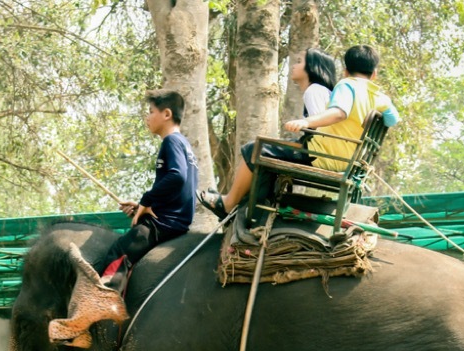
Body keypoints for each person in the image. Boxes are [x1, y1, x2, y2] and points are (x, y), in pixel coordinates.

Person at [198, 45, 399, 220]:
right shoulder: (381, 97)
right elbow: (393, 119)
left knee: (254, 149)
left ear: (345, 71)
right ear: (374, 74)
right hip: (349, 160)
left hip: (324, 155)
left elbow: (339, 112)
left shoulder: (346, 85)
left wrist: (306, 121)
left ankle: (229, 203)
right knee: (273, 149)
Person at [95, 89, 199, 291]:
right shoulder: (184, 144)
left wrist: (146, 200)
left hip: (164, 225)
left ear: (166, 114)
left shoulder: (172, 141)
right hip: (174, 221)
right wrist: (142, 207)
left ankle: (102, 309)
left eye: (151, 111)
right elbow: (179, 188)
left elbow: (177, 176)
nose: (147, 117)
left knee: (117, 252)